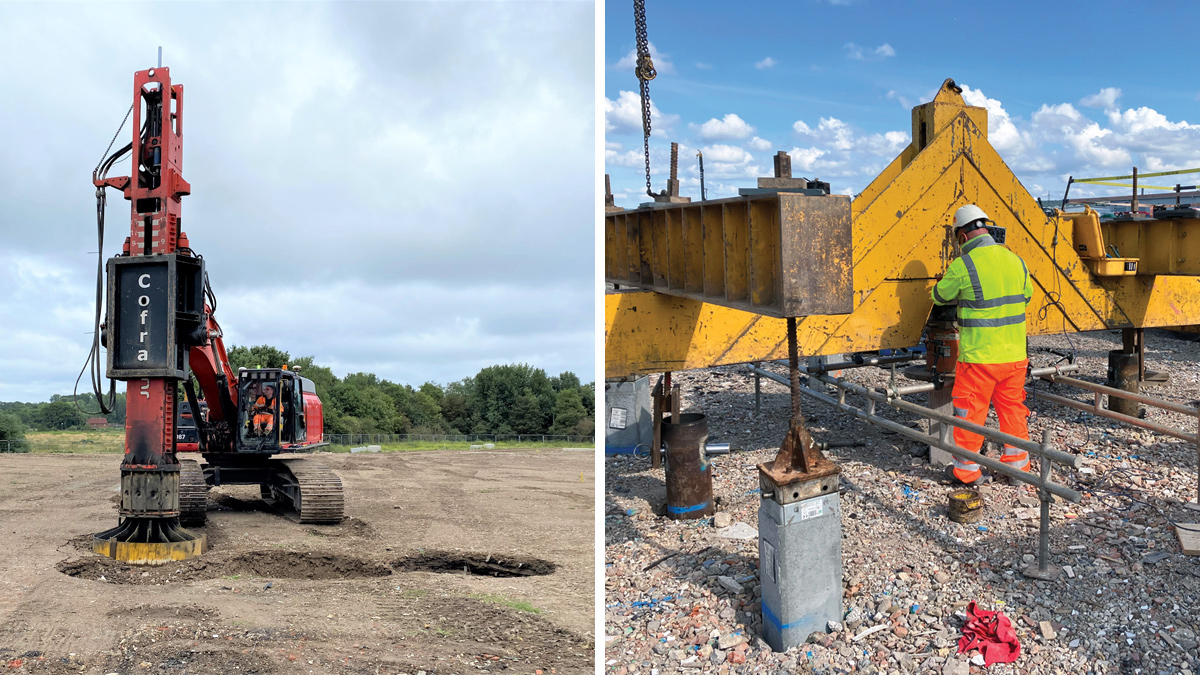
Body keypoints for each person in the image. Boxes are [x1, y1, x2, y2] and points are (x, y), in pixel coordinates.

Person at [931, 205, 1033, 486]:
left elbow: (940, 296)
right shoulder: (1016, 261)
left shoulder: (964, 265)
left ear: (962, 237)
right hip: (1014, 356)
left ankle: (966, 472)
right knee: (1012, 409)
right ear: (986, 229)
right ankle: (1017, 469)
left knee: (970, 413)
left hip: (979, 358)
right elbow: (1026, 296)